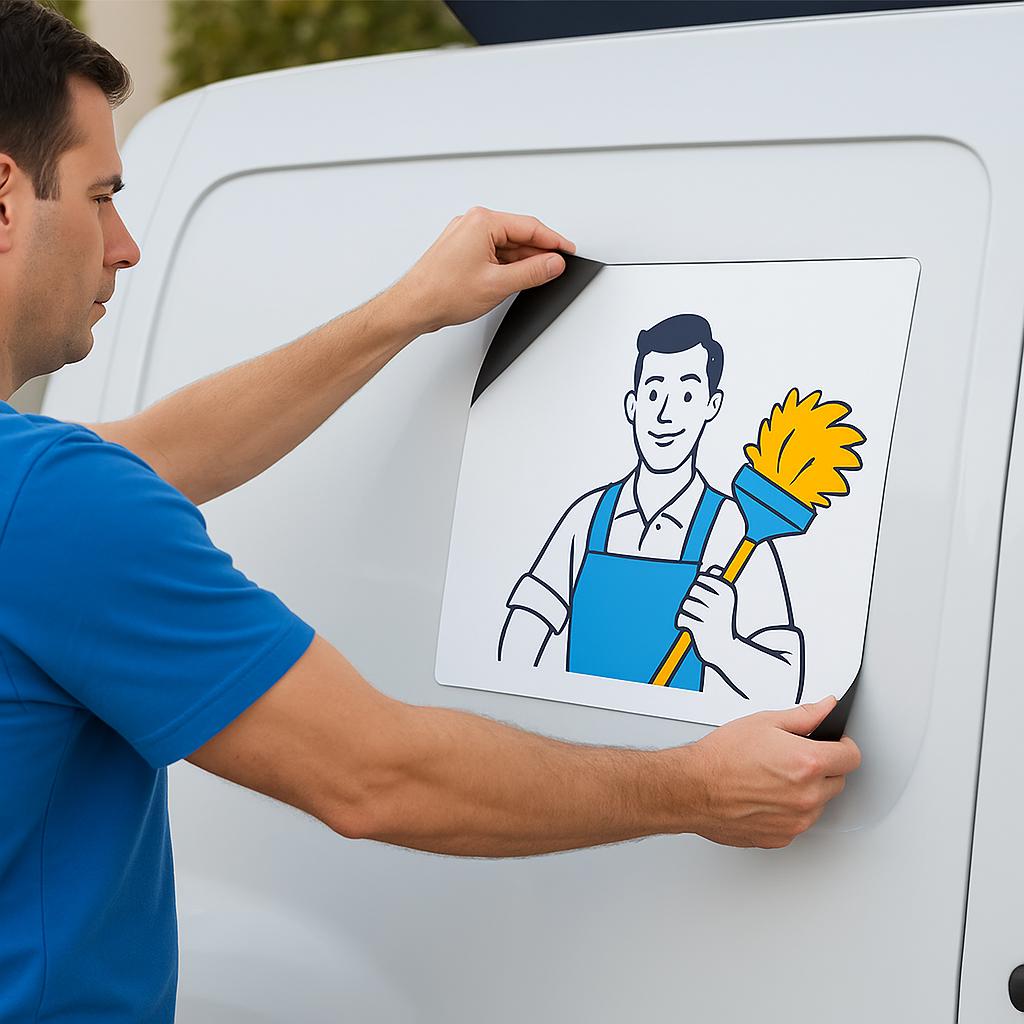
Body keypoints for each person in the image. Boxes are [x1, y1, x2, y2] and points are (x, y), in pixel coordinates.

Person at [0, 3, 860, 1021]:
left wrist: (402, 311)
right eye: (102, 196)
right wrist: (700, 788)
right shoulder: (52, 505)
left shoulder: (43, 498)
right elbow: (373, 775)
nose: (126, 245)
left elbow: (142, 460)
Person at [499, 313, 804, 705]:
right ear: (632, 404)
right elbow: (526, 625)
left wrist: (724, 646)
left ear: (713, 405)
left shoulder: (735, 531)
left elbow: (787, 685)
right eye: (654, 393)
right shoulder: (588, 516)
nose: (665, 415)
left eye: (688, 395)